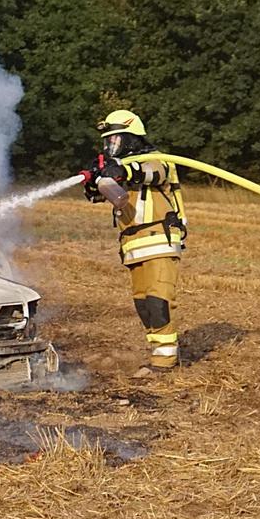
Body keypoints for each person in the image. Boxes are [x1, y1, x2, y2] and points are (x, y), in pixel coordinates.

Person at [81, 110, 187, 377]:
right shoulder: (117, 171)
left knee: (158, 301)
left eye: (117, 140)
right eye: (108, 141)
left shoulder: (157, 160)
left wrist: (123, 170)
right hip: (132, 245)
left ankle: (164, 364)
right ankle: (158, 352)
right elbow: (94, 196)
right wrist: (94, 181)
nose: (111, 146)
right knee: (143, 305)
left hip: (159, 239)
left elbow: (151, 173)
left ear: (132, 139)